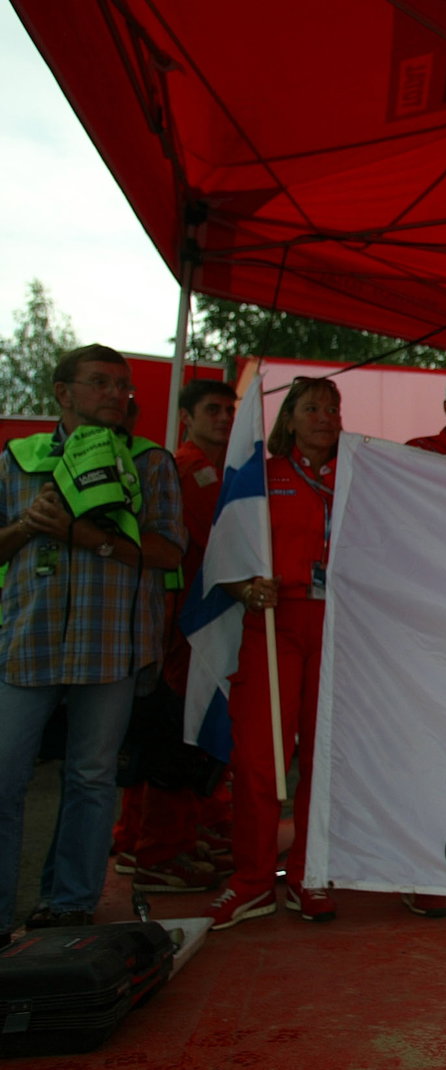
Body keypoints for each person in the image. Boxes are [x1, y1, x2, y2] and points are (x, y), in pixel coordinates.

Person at [202, 378, 446, 930]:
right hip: (274, 623)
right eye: (311, 407)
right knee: (260, 760)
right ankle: (252, 881)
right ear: (287, 419)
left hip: (341, 628)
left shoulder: (363, 477)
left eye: (332, 408)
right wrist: (245, 588)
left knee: (323, 758)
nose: (324, 417)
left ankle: (307, 874)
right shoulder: (261, 478)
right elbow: (224, 554)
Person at [0, 345, 184, 934]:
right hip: (25, 642)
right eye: (100, 382)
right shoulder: (18, 459)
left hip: (112, 644)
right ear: (62, 392)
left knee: (91, 777)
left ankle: (70, 903)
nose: (115, 394)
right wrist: (29, 525)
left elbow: (169, 551)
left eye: (122, 385)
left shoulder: (150, 462)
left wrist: (88, 536)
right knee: (5, 777)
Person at [116, 380, 239, 894]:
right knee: (181, 731)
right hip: (189, 620)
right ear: (186, 416)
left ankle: (145, 837)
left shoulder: (220, 471)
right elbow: (218, 546)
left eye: (230, 410)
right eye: (213, 409)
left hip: (199, 619)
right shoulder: (184, 470)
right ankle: (160, 849)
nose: (224, 418)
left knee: (180, 728)